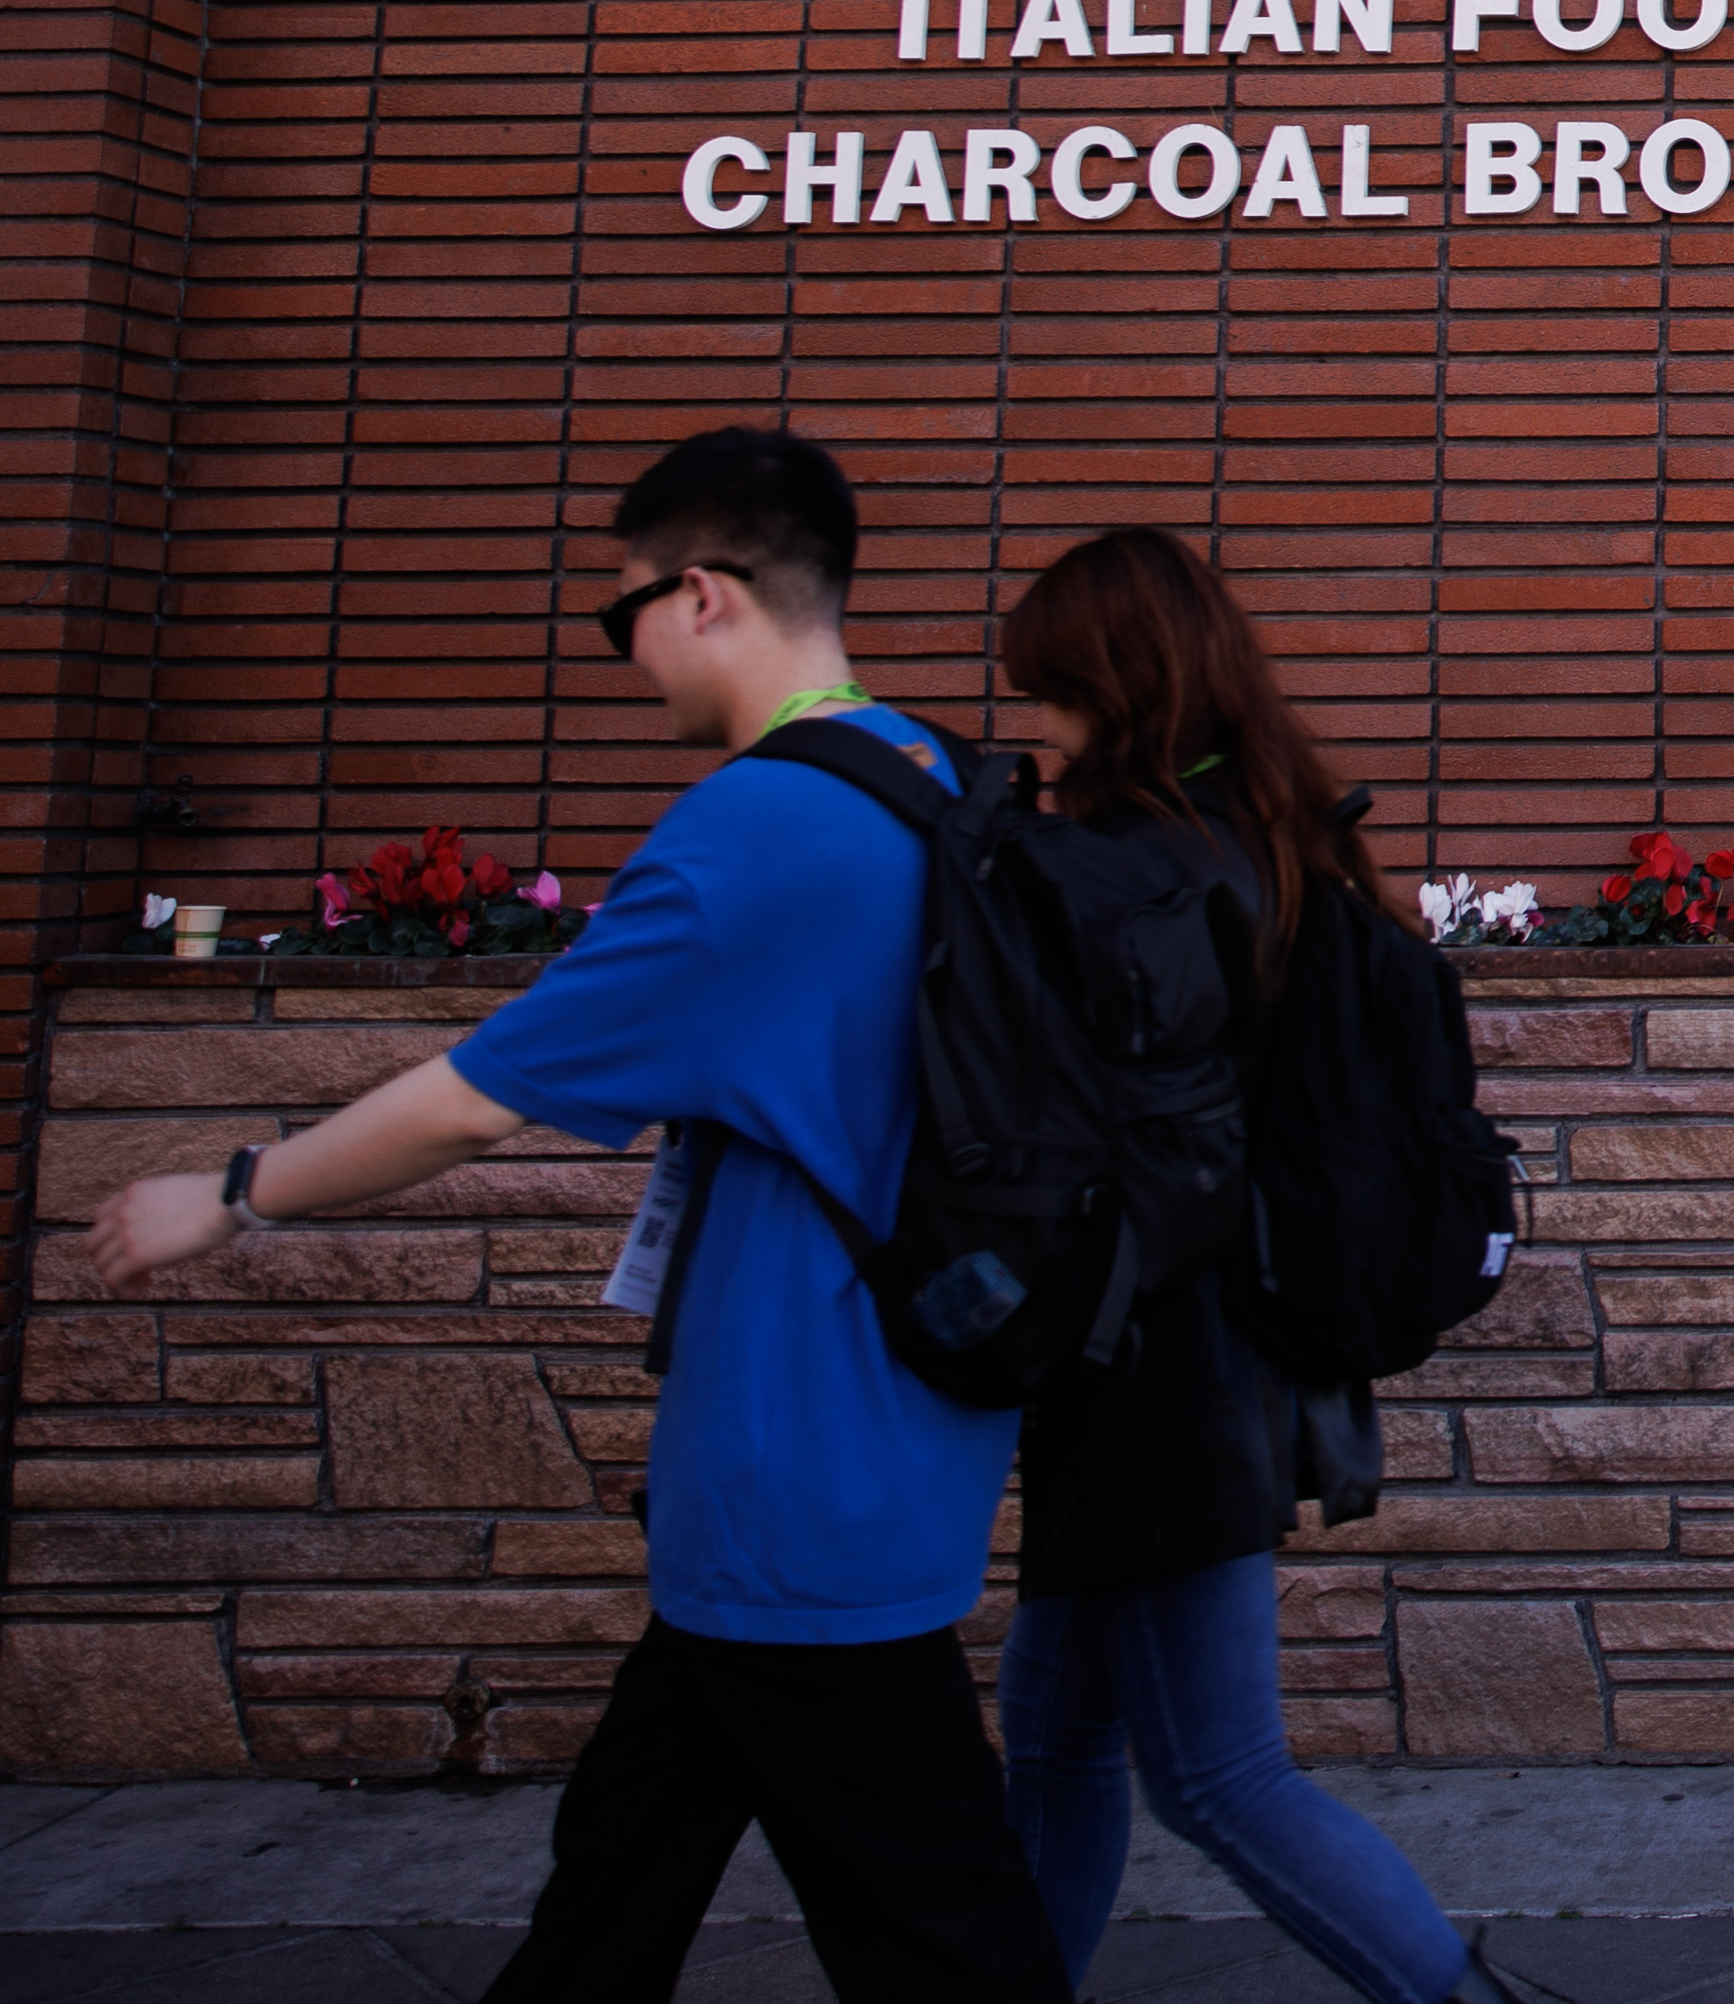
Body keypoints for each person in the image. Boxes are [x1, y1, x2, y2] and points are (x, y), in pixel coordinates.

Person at [84, 428, 1065, 2004]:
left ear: (700, 595)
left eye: (617, 618)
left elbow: (476, 1095)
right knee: (626, 1863)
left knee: (938, 1929)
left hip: (788, 1457)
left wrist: (233, 1190)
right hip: (893, 1417)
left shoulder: (752, 832)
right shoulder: (937, 776)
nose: (623, 658)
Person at [991, 529, 1509, 2004]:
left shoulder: (1131, 874)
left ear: (1113, 684)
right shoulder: (1270, 838)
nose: (1032, 723)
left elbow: (1140, 1149)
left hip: (1163, 1376)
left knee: (1218, 1778)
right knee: (1058, 1735)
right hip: (1214, 1358)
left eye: (1048, 691)